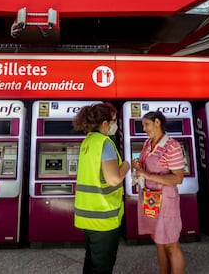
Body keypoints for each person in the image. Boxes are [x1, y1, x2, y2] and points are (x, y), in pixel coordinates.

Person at [72, 102, 130, 274]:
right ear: (104, 123)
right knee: (103, 266)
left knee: (91, 261)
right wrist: (126, 165)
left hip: (86, 214)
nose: (114, 125)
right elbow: (113, 179)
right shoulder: (105, 144)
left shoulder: (87, 142)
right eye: (113, 121)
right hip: (103, 217)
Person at [131, 111, 186, 274]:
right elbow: (144, 165)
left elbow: (178, 178)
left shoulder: (172, 146)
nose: (144, 128)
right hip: (151, 200)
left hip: (166, 202)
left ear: (157, 122)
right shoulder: (148, 143)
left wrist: (147, 174)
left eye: (146, 124)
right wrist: (138, 167)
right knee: (158, 241)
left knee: (171, 244)